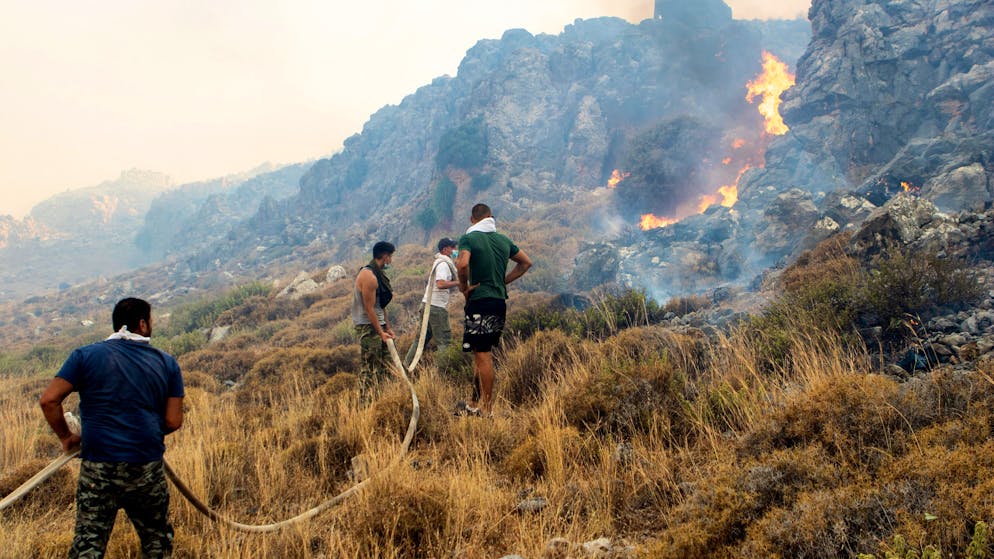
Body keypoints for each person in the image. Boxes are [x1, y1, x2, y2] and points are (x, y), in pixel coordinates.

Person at [39, 297, 184, 558]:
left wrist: (66, 437)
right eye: (150, 321)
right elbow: (173, 421)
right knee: (157, 543)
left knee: (88, 547)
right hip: (145, 467)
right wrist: (141, 431)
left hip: (98, 467)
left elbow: (49, 400)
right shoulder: (167, 363)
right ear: (142, 324)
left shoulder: (84, 356)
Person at [455, 204, 531, 416]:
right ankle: (473, 402)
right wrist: (502, 281)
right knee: (480, 353)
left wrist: (464, 287)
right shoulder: (504, 240)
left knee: (483, 354)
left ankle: (487, 409)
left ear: (472, 220)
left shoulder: (468, 238)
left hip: (480, 301)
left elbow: (462, 265)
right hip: (499, 302)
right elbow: (526, 263)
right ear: (490, 217)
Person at [405, 237, 460, 367]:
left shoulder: (441, 262)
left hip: (427, 305)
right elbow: (440, 284)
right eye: (452, 247)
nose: (455, 250)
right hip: (436, 308)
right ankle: (441, 374)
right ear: (445, 249)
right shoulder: (444, 264)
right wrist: (459, 282)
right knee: (444, 342)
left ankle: (406, 367)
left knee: (420, 340)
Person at [352, 241, 397, 399]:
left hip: (379, 326)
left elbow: (380, 305)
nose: (390, 260)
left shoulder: (378, 274)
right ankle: (364, 405)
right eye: (390, 257)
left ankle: (384, 399)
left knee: (387, 365)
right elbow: (369, 309)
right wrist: (380, 332)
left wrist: (387, 328)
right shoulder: (369, 276)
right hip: (368, 327)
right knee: (370, 368)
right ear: (384, 256)